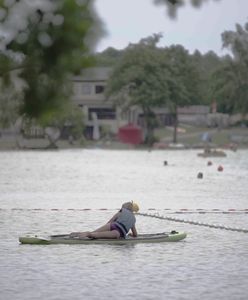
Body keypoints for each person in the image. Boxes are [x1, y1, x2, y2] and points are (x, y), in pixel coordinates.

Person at [70, 201, 139, 239]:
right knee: (94, 235)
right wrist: (131, 234)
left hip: (111, 225)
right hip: (118, 233)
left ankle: (79, 234)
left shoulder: (121, 211)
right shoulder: (133, 219)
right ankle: (87, 234)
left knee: (94, 232)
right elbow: (135, 234)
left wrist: (107, 228)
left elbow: (111, 221)